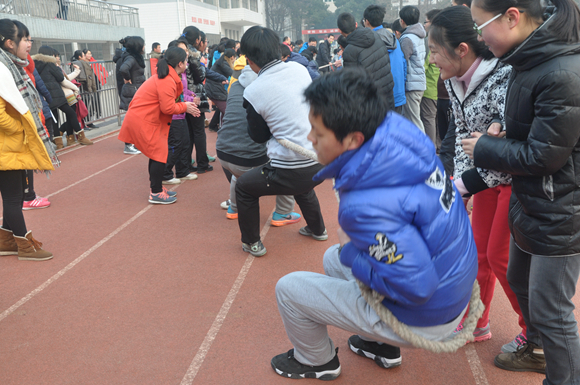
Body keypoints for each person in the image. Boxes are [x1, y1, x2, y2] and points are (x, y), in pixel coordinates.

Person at [271, 67, 477, 380]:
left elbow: (417, 287)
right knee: (333, 258)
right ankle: (378, 345)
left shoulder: (364, 206)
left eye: (318, 132)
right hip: (453, 285)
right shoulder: (401, 136)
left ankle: (316, 360)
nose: (309, 138)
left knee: (290, 288)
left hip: (428, 313)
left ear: (353, 139)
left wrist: (352, 252)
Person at [462, 0, 580, 382]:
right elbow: (531, 128)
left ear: (512, 16)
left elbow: (544, 155)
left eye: (482, 25)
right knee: (518, 280)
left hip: (562, 210)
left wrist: (485, 147)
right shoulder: (526, 61)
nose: (479, 36)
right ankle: (538, 349)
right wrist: (501, 127)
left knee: (552, 310)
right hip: (536, 203)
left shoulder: (560, 71)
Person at [429, 5, 527, 355]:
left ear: (462, 49)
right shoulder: (454, 81)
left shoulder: (503, 76)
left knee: (501, 257)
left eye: (434, 51)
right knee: (476, 254)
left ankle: (536, 335)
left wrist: (461, 186)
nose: (431, 60)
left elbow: (506, 148)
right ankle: (477, 321)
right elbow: (460, 138)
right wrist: (460, 181)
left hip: (514, 178)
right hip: (483, 178)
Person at [236, 26, 327, 257]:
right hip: (319, 160)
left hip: (290, 170)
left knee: (244, 187)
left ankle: (251, 242)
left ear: (249, 59)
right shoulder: (298, 68)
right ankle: (318, 230)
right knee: (303, 184)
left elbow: (258, 136)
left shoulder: (253, 90)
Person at [0, 18, 58, 261]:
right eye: (25, 39)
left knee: (10, 196)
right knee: (14, 198)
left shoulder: (12, 65)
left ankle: (5, 242)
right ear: (9, 42)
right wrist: (19, 129)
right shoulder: (3, 68)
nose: (29, 43)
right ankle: (26, 246)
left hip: (9, 145)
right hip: (7, 145)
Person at [216, 64, 301, 225]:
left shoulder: (235, 85)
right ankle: (283, 212)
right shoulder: (268, 89)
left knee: (238, 173)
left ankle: (234, 208)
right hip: (247, 158)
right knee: (286, 168)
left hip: (223, 152)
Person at [118, 47, 200, 205]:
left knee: (158, 154)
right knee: (159, 155)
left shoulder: (168, 76)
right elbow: (168, 108)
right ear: (180, 63)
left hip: (146, 117)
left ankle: (156, 188)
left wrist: (184, 105)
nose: (188, 64)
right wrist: (185, 107)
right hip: (144, 119)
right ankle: (155, 192)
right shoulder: (167, 79)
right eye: (186, 60)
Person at [180, 26, 228, 175]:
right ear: (197, 40)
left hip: (184, 97)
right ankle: (202, 163)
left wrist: (220, 78)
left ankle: (187, 163)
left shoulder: (180, 51)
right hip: (195, 98)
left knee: (189, 132)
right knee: (198, 132)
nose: (204, 43)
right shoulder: (193, 55)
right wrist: (201, 63)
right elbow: (201, 76)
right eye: (203, 40)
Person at [33, 46, 92, 148]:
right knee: (71, 114)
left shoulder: (34, 65)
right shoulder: (50, 64)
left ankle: (59, 143)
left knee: (55, 119)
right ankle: (81, 136)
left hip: (46, 96)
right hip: (57, 95)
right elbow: (60, 78)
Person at [337, 12, 395, 110]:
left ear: (340, 31)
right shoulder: (374, 35)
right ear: (356, 24)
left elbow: (352, 83)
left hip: (371, 101)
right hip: (388, 92)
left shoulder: (349, 51)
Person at [163, 40, 199, 185]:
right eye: (184, 51)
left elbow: (183, 91)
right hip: (174, 114)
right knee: (175, 144)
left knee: (185, 142)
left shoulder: (181, 74)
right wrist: (187, 101)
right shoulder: (169, 76)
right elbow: (172, 99)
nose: (187, 54)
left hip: (181, 112)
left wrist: (192, 96)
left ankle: (183, 170)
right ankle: (165, 173)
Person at [363, 5, 406, 113]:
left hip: (381, 95)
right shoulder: (393, 38)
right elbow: (404, 63)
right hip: (398, 91)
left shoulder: (370, 40)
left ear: (367, 21)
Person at [399, 5, 426, 131]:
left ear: (402, 21)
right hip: (419, 82)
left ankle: (423, 149)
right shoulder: (420, 35)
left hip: (412, 85)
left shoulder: (407, 38)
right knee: (413, 118)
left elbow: (403, 60)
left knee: (414, 120)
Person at [118, 36, 146, 155]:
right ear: (137, 46)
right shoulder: (131, 58)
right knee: (132, 119)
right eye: (143, 44)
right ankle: (128, 145)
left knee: (137, 118)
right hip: (133, 91)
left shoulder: (135, 57)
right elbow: (124, 69)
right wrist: (127, 78)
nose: (144, 47)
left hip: (137, 90)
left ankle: (135, 142)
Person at [420, 9, 441, 148]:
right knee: (435, 119)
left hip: (429, 87)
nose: (425, 25)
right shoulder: (441, 38)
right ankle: (437, 145)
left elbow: (424, 66)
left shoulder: (429, 41)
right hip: (437, 87)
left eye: (426, 22)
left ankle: (430, 148)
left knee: (428, 119)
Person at [206, 48, 234, 131]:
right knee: (226, 110)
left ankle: (213, 125)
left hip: (214, 88)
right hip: (214, 89)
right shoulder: (223, 64)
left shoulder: (221, 62)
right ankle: (224, 130)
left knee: (221, 108)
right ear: (232, 57)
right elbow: (232, 73)